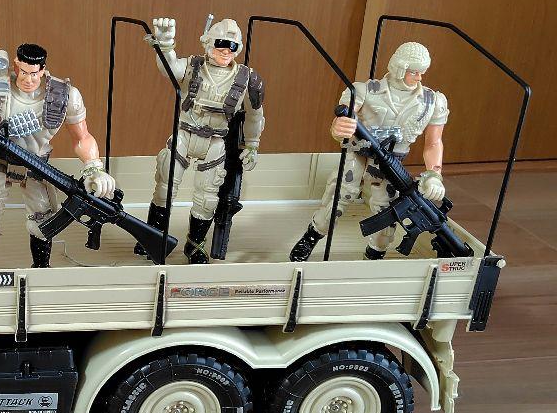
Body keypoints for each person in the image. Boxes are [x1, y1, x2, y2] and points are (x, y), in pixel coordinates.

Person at [0, 43, 115, 269]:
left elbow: (83, 137)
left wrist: (94, 168)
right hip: (1, 163)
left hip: (38, 168)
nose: (28, 79)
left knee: (42, 218)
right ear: (16, 65)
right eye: (23, 72)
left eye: (34, 74)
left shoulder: (64, 95)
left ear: (43, 70)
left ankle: (41, 266)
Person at [289, 41, 448, 261]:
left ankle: (375, 253)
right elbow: (343, 121)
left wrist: (434, 175)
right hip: (358, 153)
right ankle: (312, 236)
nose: (419, 77)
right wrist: (339, 127)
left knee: (387, 209)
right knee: (340, 195)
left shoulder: (432, 101)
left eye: (422, 72)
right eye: (414, 72)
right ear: (400, 67)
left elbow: (434, 143)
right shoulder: (365, 91)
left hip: (393, 163)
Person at [139, 16, 265, 263]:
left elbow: (255, 115)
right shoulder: (193, 66)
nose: (226, 50)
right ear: (208, 42)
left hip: (215, 143)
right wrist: (165, 43)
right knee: (165, 187)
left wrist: (252, 145)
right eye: (221, 43)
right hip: (184, 135)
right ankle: (152, 237)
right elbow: (169, 68)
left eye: (232, 46)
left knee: (207, 199)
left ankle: (195, 245)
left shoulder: (247, 79)